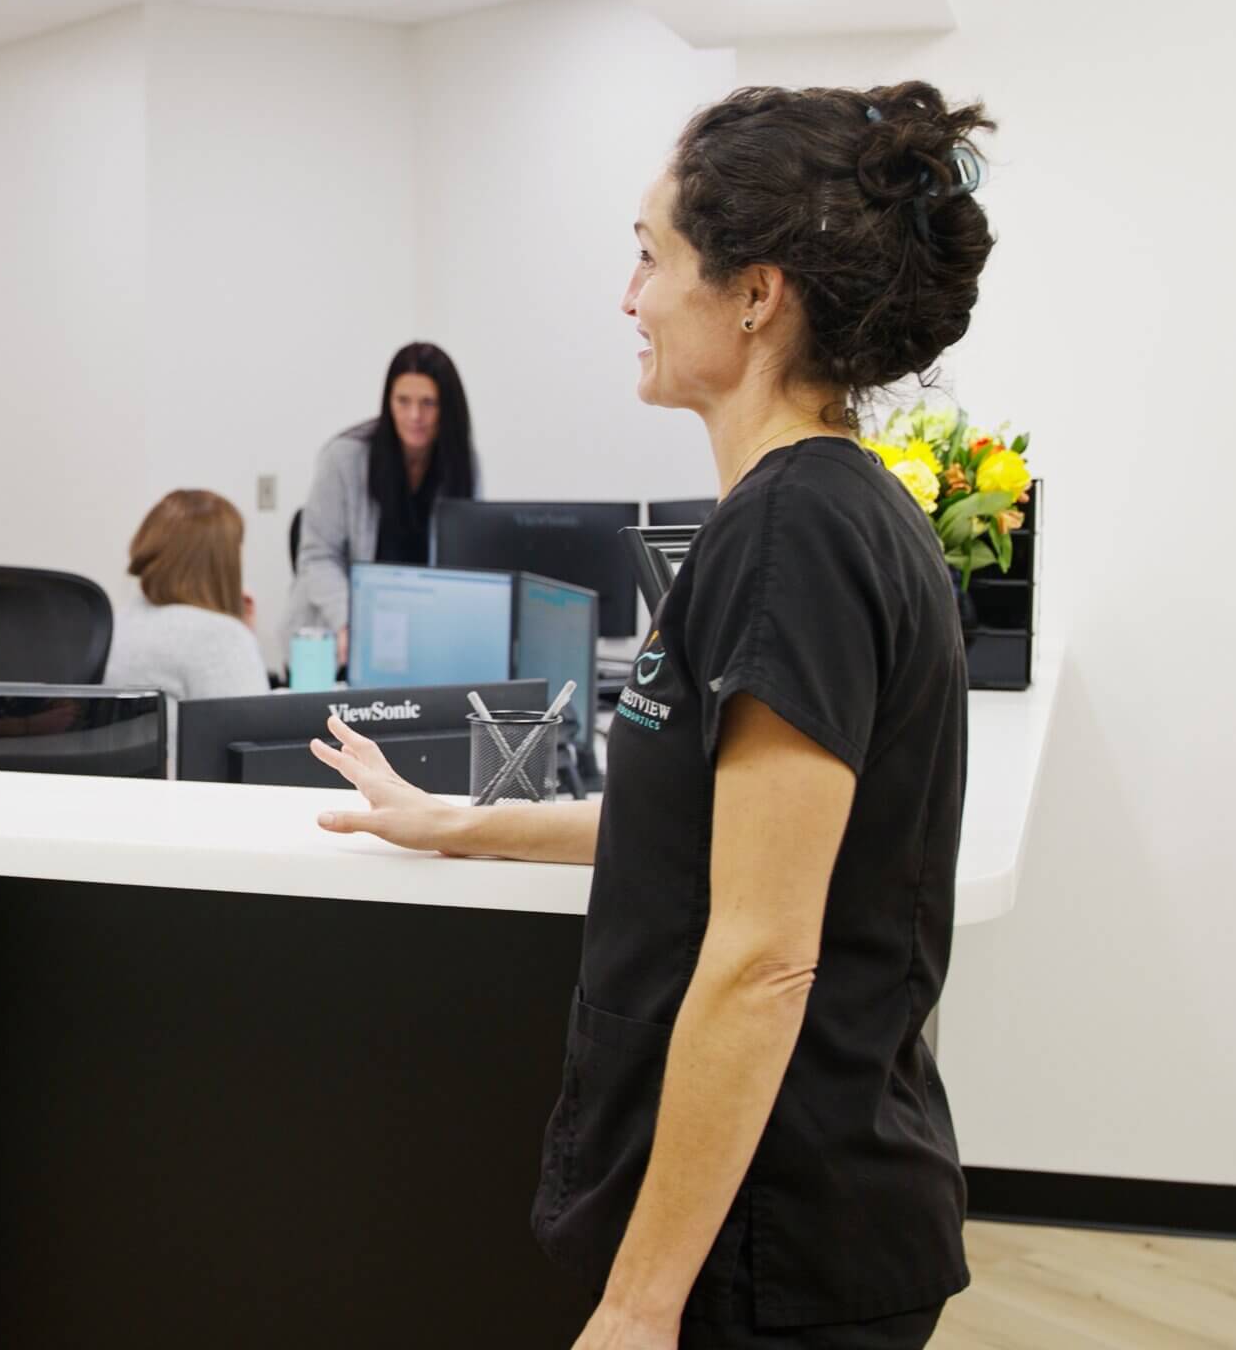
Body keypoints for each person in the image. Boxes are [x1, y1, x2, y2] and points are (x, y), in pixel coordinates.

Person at [310, 81, 996, 1349]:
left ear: (754, 293)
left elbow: (762, 953)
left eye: (649, 255)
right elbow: (698, 827)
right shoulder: (826, 514)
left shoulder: (795, 532)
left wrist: (639, 1301)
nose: (628, 298)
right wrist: (455, 825)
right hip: (787, 1220)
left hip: (772, 1241)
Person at [281, 341, 480, 660]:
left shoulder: (463, 464)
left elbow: (469, 562)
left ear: (448, 407)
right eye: (403, 401)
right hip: (338, 639)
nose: (414, 415)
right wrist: (350, 624)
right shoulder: (344, 457)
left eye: (428, 403)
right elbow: (317, 557)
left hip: (423, 636)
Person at [103, 489, 270, 702]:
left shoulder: (116, 622)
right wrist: (241, 636)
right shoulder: (221, 637)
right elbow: (255, 726)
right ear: (223, 561)